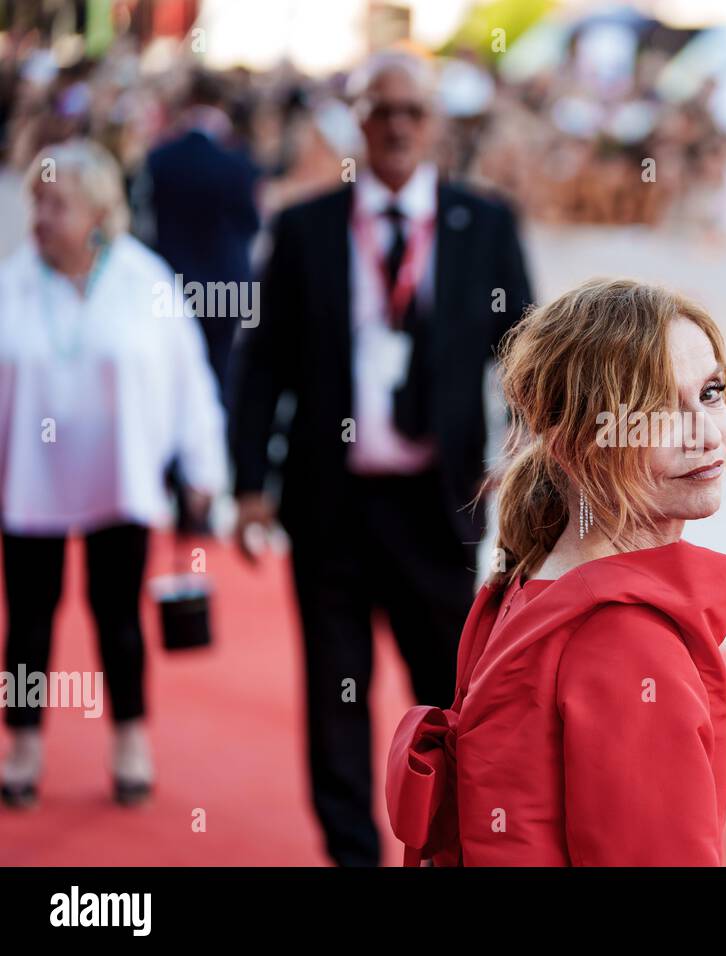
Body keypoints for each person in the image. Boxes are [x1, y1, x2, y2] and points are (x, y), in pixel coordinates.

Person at [227, 51, 532, 867]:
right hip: (330, 503)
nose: (397, 126)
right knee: (337, 693)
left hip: (441, 504)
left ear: (434, 125)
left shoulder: (486, 223)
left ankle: (445, 847)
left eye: (412, 112)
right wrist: (249, 484)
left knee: (450, 695)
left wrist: (532, 461)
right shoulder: (304, 227)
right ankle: (352, 855)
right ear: (357, 122)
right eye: (381, 111)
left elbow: (528, 355)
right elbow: (260, 364)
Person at [388, 278, 726, 866]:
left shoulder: (523, 583)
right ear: (572, 442)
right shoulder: (626, 640)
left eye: (711, 392)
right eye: (660, 409)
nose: (709, 434)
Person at [0, 139, 226, 808]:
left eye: (56, 204)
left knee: (117, 616)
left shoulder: (144, 279)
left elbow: (189, 377)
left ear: (98, 210)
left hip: (120, 477)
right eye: (35, 202)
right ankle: (23, 742)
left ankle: (131, 737)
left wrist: (203, 463)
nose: (40, 217)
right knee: (28, 621)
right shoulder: (12, 280)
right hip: (29, 477)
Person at [133, 70, 260, 395]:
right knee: (218, 374)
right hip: (226, 286)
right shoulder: (237, 161)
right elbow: (250, 223)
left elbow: (145, 221)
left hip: (173, 282)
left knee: (173, 377)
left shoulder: (160, 157)